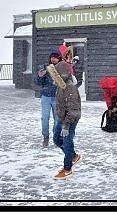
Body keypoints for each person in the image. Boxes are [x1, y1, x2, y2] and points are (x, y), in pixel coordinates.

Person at [47, 47, 82, 180]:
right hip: (62, 119)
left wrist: (66, 125)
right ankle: (73, 156)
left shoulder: (70, 88)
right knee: (57, 139)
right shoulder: (60, 87)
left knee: (67, 142)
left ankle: (67, 169)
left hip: (70, 120)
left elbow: (74, 110)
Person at [32, 49, 61, 147]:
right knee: (45, 118)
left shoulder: (61, 68)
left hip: (57, 97)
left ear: (59, 59)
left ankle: (55, 137)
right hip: (45, 97)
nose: (54, 59)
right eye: (52, 57)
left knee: (57, 119)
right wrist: (40, 76)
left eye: (56, 57)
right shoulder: (44, 68)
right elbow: (37, 83)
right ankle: (45, 137)